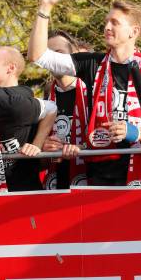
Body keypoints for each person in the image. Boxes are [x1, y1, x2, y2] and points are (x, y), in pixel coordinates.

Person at [27, 0, 141, 186]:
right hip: (98, 171)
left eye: (115, 22)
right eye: (106, 21)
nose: (107, 27)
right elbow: (38, 56)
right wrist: (45, 7)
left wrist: (137, 132)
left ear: (134, 31)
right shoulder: (92, 63)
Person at [41, 30, 88, 189]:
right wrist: (43, 146)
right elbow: (36, 154)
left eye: (58, 53)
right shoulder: (45, 98)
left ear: (74, 54)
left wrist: (81, 148)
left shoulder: (94, 91)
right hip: (56, 183)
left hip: (90, 183)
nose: (53, 59)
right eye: (48, 54)